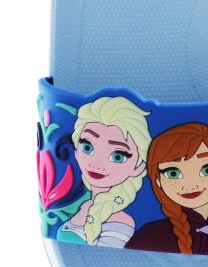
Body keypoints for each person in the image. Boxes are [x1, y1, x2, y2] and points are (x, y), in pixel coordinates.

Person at [127, 123, 208, 256]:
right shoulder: (151, 234)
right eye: (173, 173)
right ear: (158, 180)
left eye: (207, 170)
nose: (190, 185)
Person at [58, 96, 151, 247]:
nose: (97, 164)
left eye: (118, 156)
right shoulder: (84, 206)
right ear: (76, 150)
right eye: (87, 147)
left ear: (139, 167)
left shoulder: (121, 222)